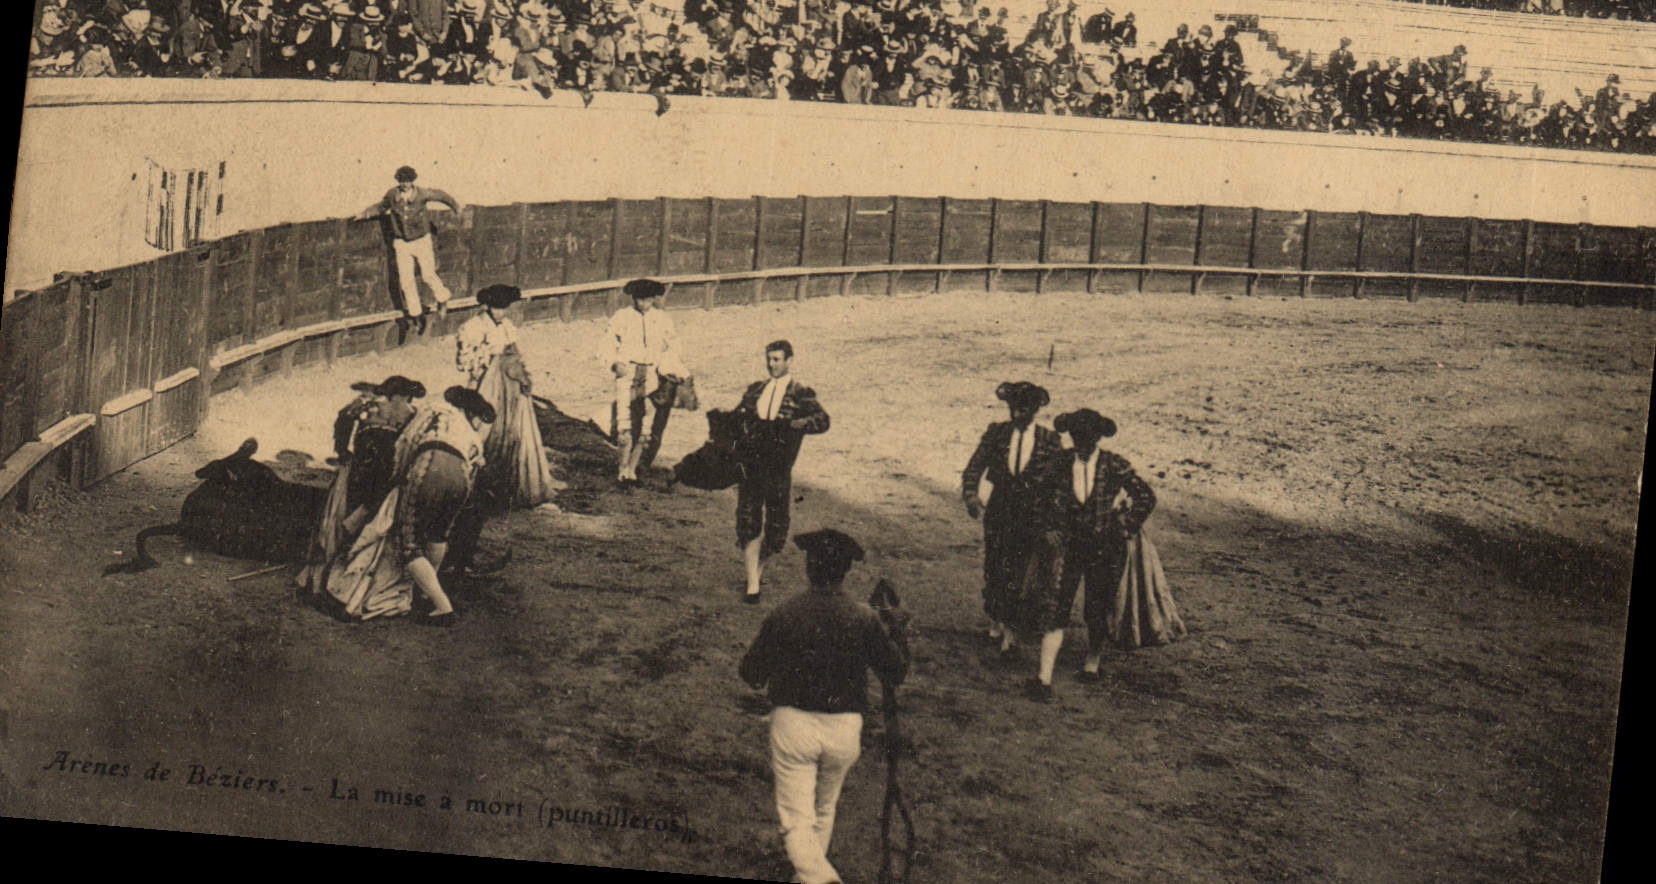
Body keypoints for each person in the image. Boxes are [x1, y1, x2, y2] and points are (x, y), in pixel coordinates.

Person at [738, 529, 909, 884]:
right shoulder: (864, 617)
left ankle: (820, 878)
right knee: (824, 807)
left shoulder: (787, 612)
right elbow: (895, 672)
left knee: (796, 820)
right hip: (845, 729)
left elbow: (751, 673)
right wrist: (897, 633)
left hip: (794, 727)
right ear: (845, 571)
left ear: (809, 568)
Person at [324, 386, 494, 625]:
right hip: (462, 480)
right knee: (438, 534)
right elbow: (476, 466)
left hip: (429, 467)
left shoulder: (433, 410)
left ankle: (442, 607)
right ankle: (425, 595)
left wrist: (398, 478)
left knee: (409, 543)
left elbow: (406, 443)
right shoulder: (470, 431)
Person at [1019, 408, 1157, 701]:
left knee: (1097, 607)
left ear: (1097, 438)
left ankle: (1092, 664)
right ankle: (1043, 678)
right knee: (1056, 606)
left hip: (1103, 548)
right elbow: (1034, 498)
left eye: (1087, 437)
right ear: (1072, 436)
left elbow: (1146, 497)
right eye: (1077, 436)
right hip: (1066, 547)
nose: (1082, 442)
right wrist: (1046, 528)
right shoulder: (1058, 462)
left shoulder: (1114, 464)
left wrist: (1126, 526)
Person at [298, 375, 426, 593]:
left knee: (351, 510)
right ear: (406, 395)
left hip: (363, 466)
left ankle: (334, 565)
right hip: (386, 470)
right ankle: (354, 571)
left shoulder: (370, 405)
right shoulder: (413, 413)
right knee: (375, 515)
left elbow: (343, 418)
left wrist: (342, 450)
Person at [960, 382, 1061, 654]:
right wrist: (971, 496)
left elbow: (1058, 484)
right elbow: (974, 467)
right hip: (1000, 508)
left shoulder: (1049, 440)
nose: (1017, 414)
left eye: (1024, 410)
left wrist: (1052, 521)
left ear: (1035, 410)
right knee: (995, 564)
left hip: (1033, 513)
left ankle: (1011, 631)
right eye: (1013, 408)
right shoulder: (997, 433)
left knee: (1022, 570)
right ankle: (997, 619)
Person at [733, 340, 830, 603]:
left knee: (776, 530)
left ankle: (756, 571)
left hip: (778, 468)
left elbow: (823, 420)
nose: (771, 364)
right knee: (749, 521)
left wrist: (798, 425)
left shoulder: (800, 393)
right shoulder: (756, 390)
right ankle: (753, 584)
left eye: (776, 359)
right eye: (769, 359)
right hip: (752, 465)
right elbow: (737, 418)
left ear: (789, 361)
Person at [456, 283, 556, 508]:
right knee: (482, 432)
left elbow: (517, 356)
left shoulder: (508, 327)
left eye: (504, 308)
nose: (500, 312)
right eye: (496, 308)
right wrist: (491, 357)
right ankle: (472, 489)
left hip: (509, 388)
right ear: (487, 306)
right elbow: (463, 362)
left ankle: (506, 487)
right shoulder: (472, 327)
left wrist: (522, 374)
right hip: (484, 386)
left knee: (511, 431)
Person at [353, 165, 461, 334]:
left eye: (408, 181)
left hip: (421, 241)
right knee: (406, 281)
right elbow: (381, 207)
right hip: (402, 243)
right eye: (402, 181)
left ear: (413, 181)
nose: (405, 184)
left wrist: (456, 206)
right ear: (398, 181)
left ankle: (443, 298)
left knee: (428, 275)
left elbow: (441, 196)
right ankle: (416, 316)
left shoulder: (422, 194)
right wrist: (365, 214)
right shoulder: (392, 195)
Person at [600, 278, 687, 485]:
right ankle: (622, 468)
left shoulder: (663, 319)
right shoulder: (621, 317)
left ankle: (632, 469)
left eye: (648, 299)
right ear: (633, 298)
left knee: (646, 426)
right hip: (628, 372)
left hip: (652, 374)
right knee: (625, 423)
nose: (643, 303)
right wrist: (614, 363)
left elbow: (674, 346)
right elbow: (607, 343)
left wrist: (666, 366)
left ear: (654, 299)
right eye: (639, 299)